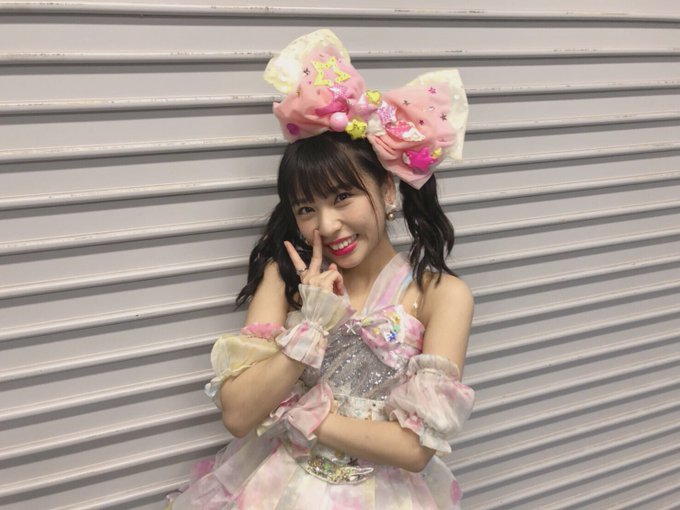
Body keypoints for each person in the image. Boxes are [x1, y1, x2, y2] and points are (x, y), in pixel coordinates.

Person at [168, 29, 476, 509]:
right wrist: (311, 327)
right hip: (275, 486)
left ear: (388, 190)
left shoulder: (440, 295)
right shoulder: (285, 278)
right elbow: (238, 414)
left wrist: (306, 415)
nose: (327, 225)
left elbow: (415, 449)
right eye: (306, 208)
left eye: (342, 197)